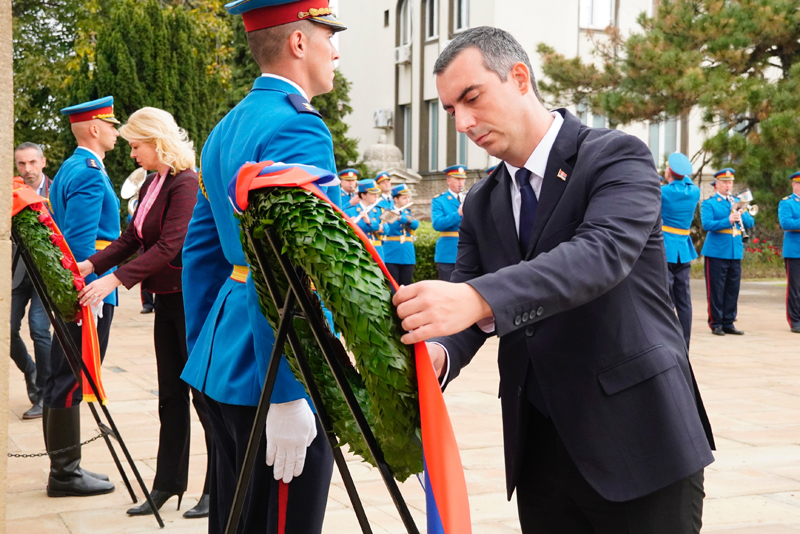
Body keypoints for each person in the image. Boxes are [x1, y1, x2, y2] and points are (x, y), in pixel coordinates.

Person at [393, 27, 714, 533]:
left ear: (519, 78)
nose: (463, 122)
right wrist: (442, 353)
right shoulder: (482, 200)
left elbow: (599, 255)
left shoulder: (616, 156)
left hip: (638, 437)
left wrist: (476, 298)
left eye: (471, 98)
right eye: (451, 109)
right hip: (540, 448)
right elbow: (469, 304)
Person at [180, 2, 344, 532]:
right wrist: (289, 392)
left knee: (233, 518)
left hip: (224, 356)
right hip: (271, 365)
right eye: (327, 35)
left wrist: (202, 349)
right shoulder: (298, 128)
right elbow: (291, 268)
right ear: (299, 43)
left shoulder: (227, 126)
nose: (335, 50)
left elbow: (201, 252)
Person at [75, 107, 213, 518]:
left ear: (156, 141)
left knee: (204, 400)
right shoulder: (156, 182)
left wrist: (114, 281)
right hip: (168, 301)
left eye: (136, 146)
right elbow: (132, 236)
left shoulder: (186, 183)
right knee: (170, 398)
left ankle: (217, 487)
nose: (132, 153)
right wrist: (90, 266)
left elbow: (171, 246)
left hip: (190, 301)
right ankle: (167, 484)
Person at [44, 96, 121, 498]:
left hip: (80, 288)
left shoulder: (72, 167)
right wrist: (83, 295)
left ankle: (64, 469)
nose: (115, 130)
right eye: (111, 124)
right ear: (93, 128)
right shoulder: (90, 171)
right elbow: (79, 241)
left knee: (63, 376)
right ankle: (65, 474)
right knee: (74, 377)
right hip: (90, 289)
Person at [12, 142, 53, 420]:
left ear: (43, 162)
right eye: (21, 164)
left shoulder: (57, 190)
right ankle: (31, 370)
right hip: (16, 275)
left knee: (39, 329)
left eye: (32, 163)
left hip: (45, 275)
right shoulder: (10, 192)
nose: (27, 169)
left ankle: (45, 394)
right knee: (6, 330)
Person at [701, 168, 755, 336]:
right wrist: (728, 220)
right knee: (716, 289)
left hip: (734, 250)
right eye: (724, 182)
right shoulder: (710, 203)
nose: (728, 185)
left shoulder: (737, 201)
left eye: (730, 182)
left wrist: (741, 212)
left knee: (732, 288)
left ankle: (728, 322)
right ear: (716, 184)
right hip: (717, 250)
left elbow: (750, 222)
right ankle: (716, 323)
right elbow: (707, 225)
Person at [661, 152, 701, 348]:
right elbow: (688, 182)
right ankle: (685, 344)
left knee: (665, 298)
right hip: (684, 249)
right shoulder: (694, 192)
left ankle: (666, 341)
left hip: (666, 247)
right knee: (684, 300)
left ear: (669, 171)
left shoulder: (663, 193)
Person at [431, 165, 466, 281]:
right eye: (457, 179)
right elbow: (437, 224)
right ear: (448, 180)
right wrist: (458, 213)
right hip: (448, 252)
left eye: (462, 179)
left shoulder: (469, 198)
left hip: (467, 251)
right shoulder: (440, 200)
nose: (461, 183)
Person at [383, 183, 418, 286]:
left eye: (408, 198)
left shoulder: (409, 212)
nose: (407, 200)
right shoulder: (388, 212)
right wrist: (392, 215)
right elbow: (386, 229)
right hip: (391, 253)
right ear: (396, 199)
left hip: (407, 253)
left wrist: (401, 218)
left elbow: (415, 224)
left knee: (407, 285)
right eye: (404, 198)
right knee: (393, 286)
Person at [779, 171, 800, 333]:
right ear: (793, 185)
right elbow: (786, 223)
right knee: (795, 288)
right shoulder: (787, 203)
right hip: (794, 251)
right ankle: (795, 320)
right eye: (798, 184)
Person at [345, 179, 385, 259]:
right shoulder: (349, 212)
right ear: (363, 195)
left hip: (377, 251)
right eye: (372, 194)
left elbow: (386, 229)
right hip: (358, 251)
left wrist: (370, 222)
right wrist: (350, 225)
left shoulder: (379, 210)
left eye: (376, 193)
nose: (376, 196)